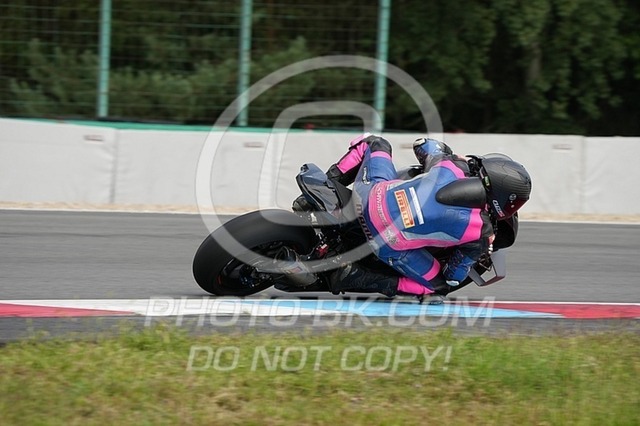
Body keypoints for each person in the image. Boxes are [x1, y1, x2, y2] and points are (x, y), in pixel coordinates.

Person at [325, 133, 532, 302]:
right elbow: (454, 275)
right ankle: (356, 276)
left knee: (374, 142)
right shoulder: (482, 232)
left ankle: (328, 184)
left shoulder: (451, 165)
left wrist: (445, 151)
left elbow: (422, 144)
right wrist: (469, 258)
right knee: (438, 288)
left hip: (369, 195)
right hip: (384, 241)